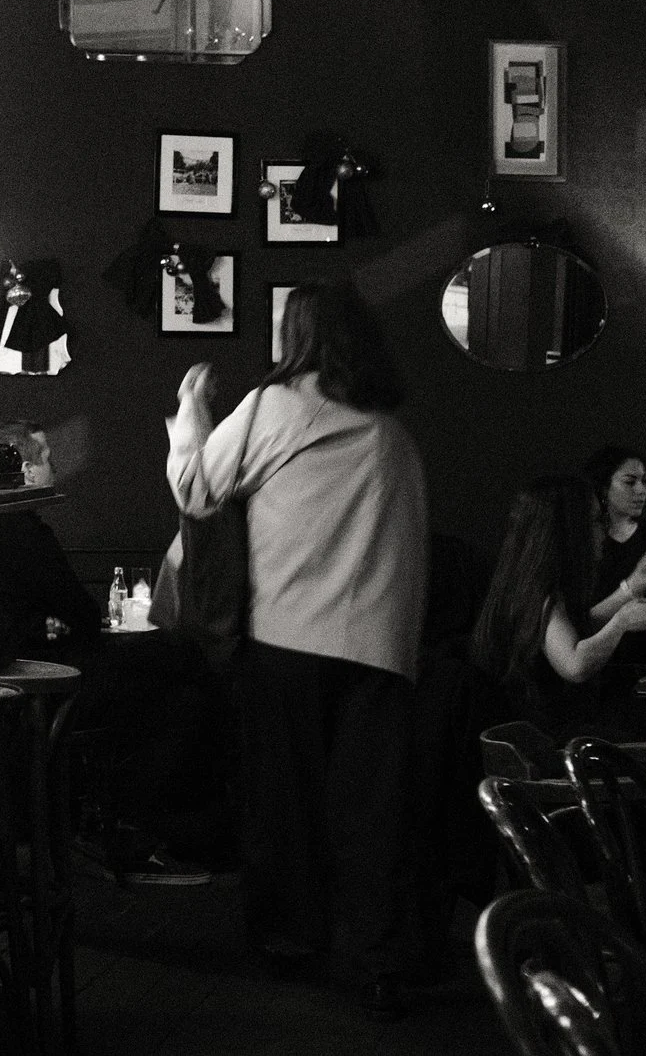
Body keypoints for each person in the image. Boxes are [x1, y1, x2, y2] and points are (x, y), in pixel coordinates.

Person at [166, 282, 428, 1017]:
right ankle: (382, 957)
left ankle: (291, 944)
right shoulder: (391, 432)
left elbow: (196, 488)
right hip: (381, 644)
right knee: (374, 811)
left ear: (299, 335)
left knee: (284, 805)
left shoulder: (271, 407)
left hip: (287, 636)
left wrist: (191, 416)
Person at [0, 421, 220, 885]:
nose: (54, 469)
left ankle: (128, 825)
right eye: (47, 461)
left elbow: (51, 617)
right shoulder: (23, 530)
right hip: (43, 684)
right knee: (178, 675)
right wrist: (58, 626)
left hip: (8, 676)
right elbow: (78, 614)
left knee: (167, 667)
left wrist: (52, 625)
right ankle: (137, 832)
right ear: (26, 471)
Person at [470, 476, 646, 738]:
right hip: (554, 747)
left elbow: (574, 628)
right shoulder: (542, 594)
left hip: (541, 739)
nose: (605, 531)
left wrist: (633, 586)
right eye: (598, 521)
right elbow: (574, 665)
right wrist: (621, 622)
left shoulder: (527, 585)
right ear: (570, 530)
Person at [580, 446, 646, 674]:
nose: (641, 490)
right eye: (630, 482)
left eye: (644, 482)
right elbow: (581, 622)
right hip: (602, 658)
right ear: (603, 486)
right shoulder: (584, 540)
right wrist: (633, 587)